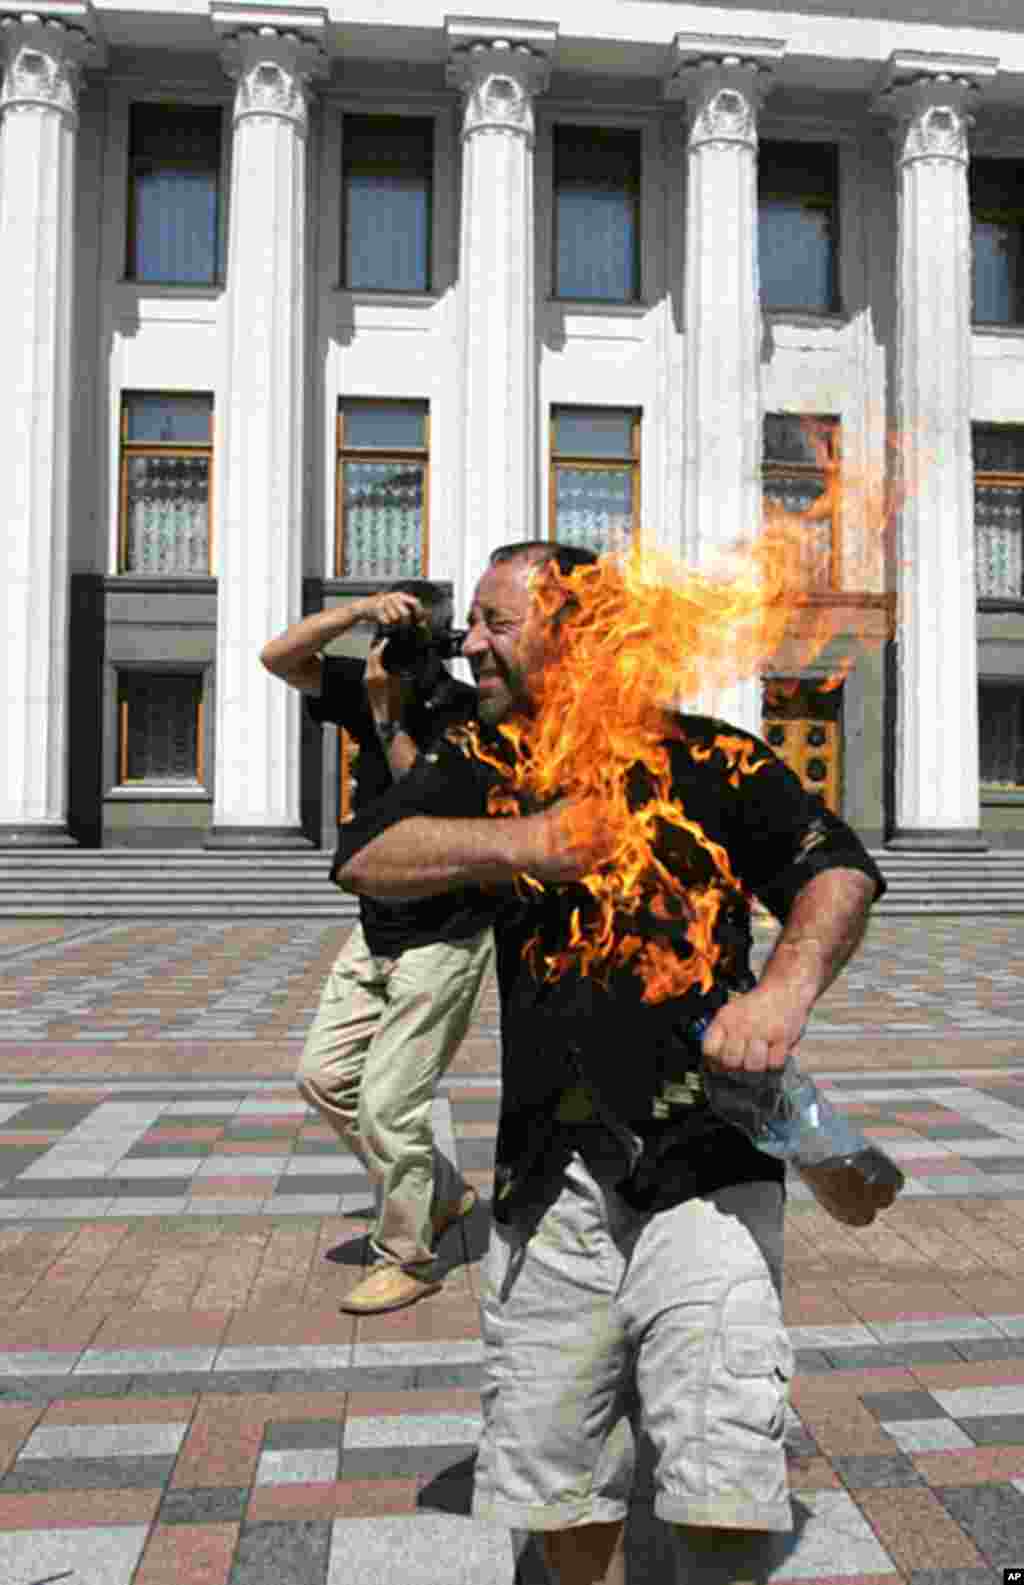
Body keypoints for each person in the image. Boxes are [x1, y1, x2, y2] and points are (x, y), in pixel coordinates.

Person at [330, 542, 887, 1583]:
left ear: (578, 636)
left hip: (709, 1167)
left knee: (723, 1468)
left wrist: (784, 989)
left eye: (498, 622)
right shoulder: (488, 766)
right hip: (549, 1181)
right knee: (557, 1475)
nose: (471, 644)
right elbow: (366, 853)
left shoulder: (712, 761)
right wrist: (528, 843)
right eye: (473, 624)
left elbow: (837, 872)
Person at [260, 581, 494, 1315]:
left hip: (445, 938)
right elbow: (277, 655)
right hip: (376, 928)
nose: (396, 654)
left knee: (392, 1105)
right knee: (324, 1077)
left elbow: (424, 804)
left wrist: (390, 716)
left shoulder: (467, 711)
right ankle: (443, 1193)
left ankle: (410, 1255)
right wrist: (359, 612)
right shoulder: (371, 679)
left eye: (412, 639)